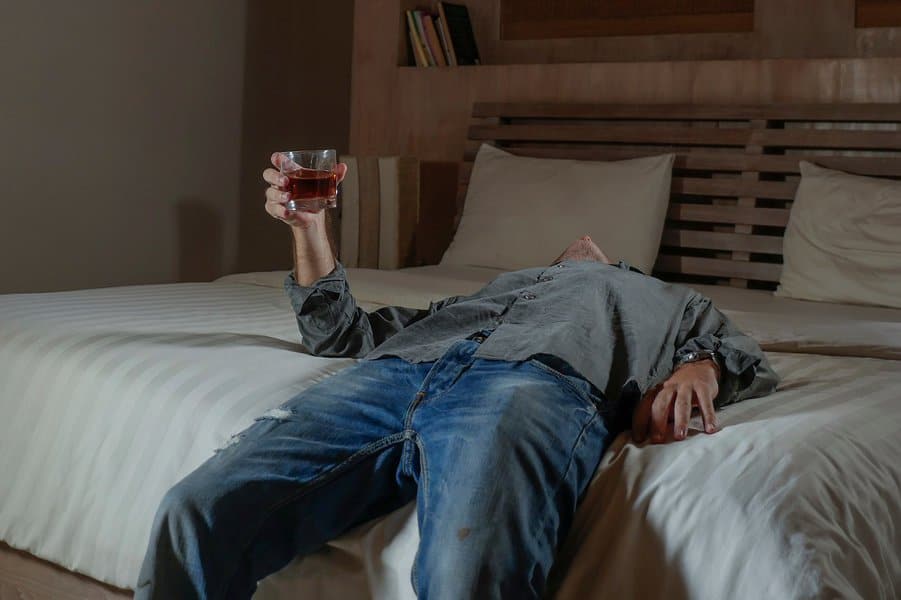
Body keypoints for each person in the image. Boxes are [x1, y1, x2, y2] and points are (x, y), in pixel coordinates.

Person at [135, 154, 779, 599]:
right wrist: (310, 228)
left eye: (590, 252)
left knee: (466, 568)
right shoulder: (487, 297)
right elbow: (339, 333)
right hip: (394, 376)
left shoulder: (649, 296)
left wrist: (701, 367)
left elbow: (736, 346)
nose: (577, 245)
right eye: (562, 257)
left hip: (528, 387)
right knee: (195, 511)